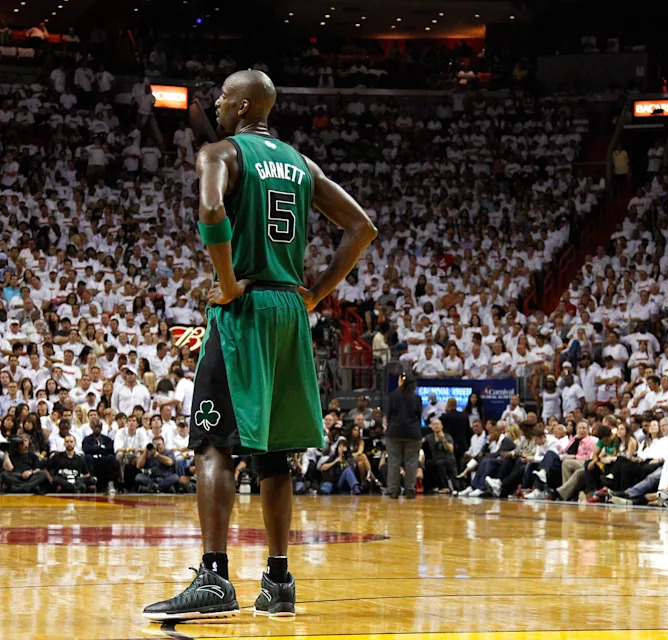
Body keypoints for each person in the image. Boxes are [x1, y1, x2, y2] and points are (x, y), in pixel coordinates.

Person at [144, 70, 377, 621]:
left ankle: (214, 577)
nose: (218, 105)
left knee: (213, 444)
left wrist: (226, 286)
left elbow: (210, 211)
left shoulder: (220, 153)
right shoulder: (300, 164)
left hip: (244, 311)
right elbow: (362, 227)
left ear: (245, 106)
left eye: (224, 97)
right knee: (275, 455)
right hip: (289, 311)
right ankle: (278, 581)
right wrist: (315, 294)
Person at [385, 370, 424, 499]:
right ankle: (410, 490)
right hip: (413, 433)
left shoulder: (392, 396)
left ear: (401, 381)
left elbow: (389, 415)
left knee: (394, 461)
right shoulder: (417, 398)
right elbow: (419, 417)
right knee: (412, 462)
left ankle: (394, 490)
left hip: (394, 432)